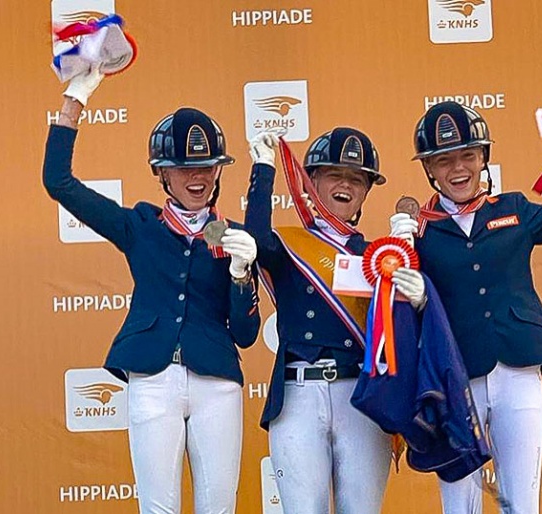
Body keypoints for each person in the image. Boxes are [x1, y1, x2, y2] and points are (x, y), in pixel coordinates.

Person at [389, 99, 542, 513]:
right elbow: (400, 313)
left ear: (484, 157)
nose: (458, 169)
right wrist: (401, 249)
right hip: (455, 376)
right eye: (444, 160)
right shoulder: (417, 230)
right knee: (460, 504)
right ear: (429, 170)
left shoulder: (514, 210)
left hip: (519, 366)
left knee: (522, 501)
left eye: (467, 155)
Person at [42, 67, 261, 514]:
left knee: (218, 508)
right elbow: (58, 181)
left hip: (216, 380)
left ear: (218, 169)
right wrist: (75, 99)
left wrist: (242, 274)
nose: (194, 177)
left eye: (204, 165)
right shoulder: (140, 225)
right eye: (181, 167)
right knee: (157, 509)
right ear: (162, 174)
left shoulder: (231, 234)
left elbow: (245, 334)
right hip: (151, 377)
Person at [244, 128, 421, 514]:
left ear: (365, 191)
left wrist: (409, 253)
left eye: (357, 178)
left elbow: (406, 334)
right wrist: (262, 170)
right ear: (312, 183)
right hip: (297, 396)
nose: (345, 184)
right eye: (334, 174)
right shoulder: (288, 243)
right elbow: (254, 240)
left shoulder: (380, 257)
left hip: (359, 395)